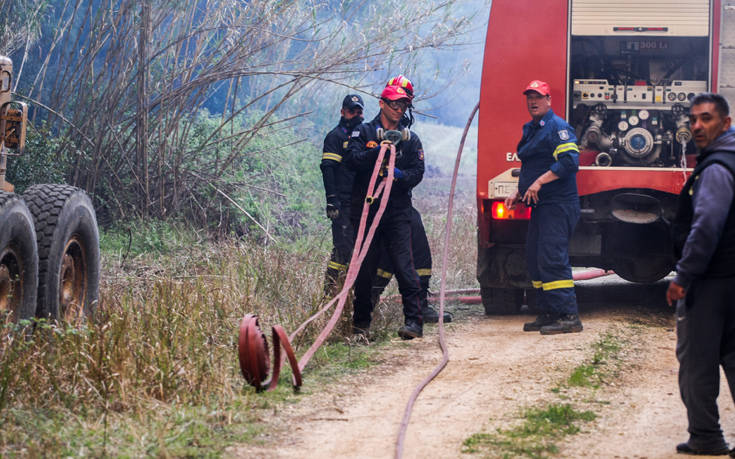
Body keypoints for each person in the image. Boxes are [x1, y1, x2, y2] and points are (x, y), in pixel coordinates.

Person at [666, 92, 735, 457]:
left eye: (706, 119)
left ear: (725, 123)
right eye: (693, 119)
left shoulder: (716, 168)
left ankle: (706, 436)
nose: (697, 127)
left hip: (711, 282)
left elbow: (706, 225)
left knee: (696, 360)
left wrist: (683, 277)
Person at [345, 81, 425, 340]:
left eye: (403, 105)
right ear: (382, 104)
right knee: (365, 268)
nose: (398, 109)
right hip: (367, 211)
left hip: (397, 212)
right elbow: (352, 161)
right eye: (394, 104)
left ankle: (413, 321)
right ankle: (361, 327)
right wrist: (377, 153)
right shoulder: (363, 132)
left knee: (404, 265)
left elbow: (418, 172)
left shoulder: (410, 140)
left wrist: (399, 175)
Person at [504, 80, 582, 335]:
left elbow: (570, 161)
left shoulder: (557, 127)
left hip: (558, 205)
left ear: (549, 100)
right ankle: (549, 311)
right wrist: (519, 191)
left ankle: (569, 315)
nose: (532, 101)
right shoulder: (534, 128)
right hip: (542, 205)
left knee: (552, 257)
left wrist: (538, 182)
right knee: (536, 259)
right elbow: (533, 166)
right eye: (529, 97)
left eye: (538, 97)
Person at [371, 206, 452, 323]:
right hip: (371, 203)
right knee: (384, 255)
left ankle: (420, 305)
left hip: (399, 202)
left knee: (417, 244)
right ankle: (365, 306)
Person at [320, 94, 364, 296]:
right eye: (351, 110)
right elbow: (328, 169)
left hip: (361, 203)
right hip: (342, 203)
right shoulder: (335, 137)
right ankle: (329, 293)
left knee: (359, 248)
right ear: (343, 111)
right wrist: (332, 201)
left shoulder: (364, 136)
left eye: (359, 111)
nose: (355, 114)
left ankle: (353, 295)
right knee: (342, 248)